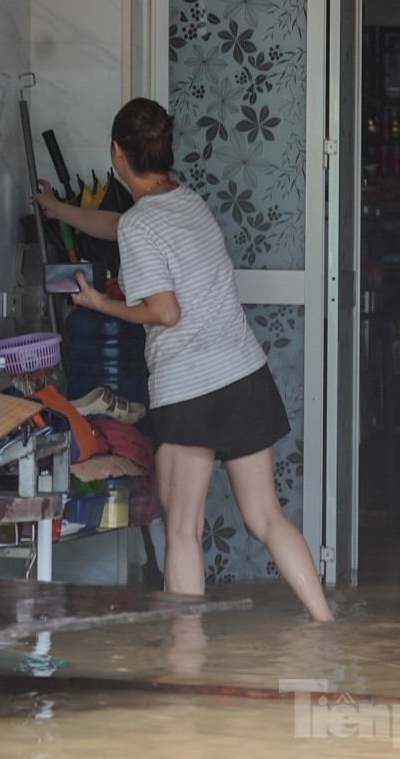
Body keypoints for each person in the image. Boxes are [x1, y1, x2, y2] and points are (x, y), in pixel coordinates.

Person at [33, 97, 333, 622]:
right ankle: (326, 621)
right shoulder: (186, 202)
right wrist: (60, 211)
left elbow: (163, 312)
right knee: (266, 517)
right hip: (242, 373)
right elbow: (118, 225)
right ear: (166, 150)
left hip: (190, 387)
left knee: (183, 531)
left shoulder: (141, 226)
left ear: (115, 154)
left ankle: (186, 667)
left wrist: (101, 303)